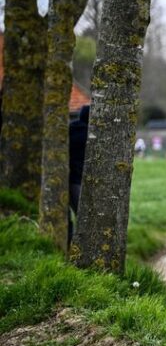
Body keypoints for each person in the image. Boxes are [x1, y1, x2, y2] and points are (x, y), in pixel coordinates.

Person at [68, 105, 90, 246]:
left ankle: (70, 244)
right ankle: (80, 247)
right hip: (76, 180)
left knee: (69, 217)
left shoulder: (70, 129)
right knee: (83, 215)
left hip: (67, 178)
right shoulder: (88, 134)